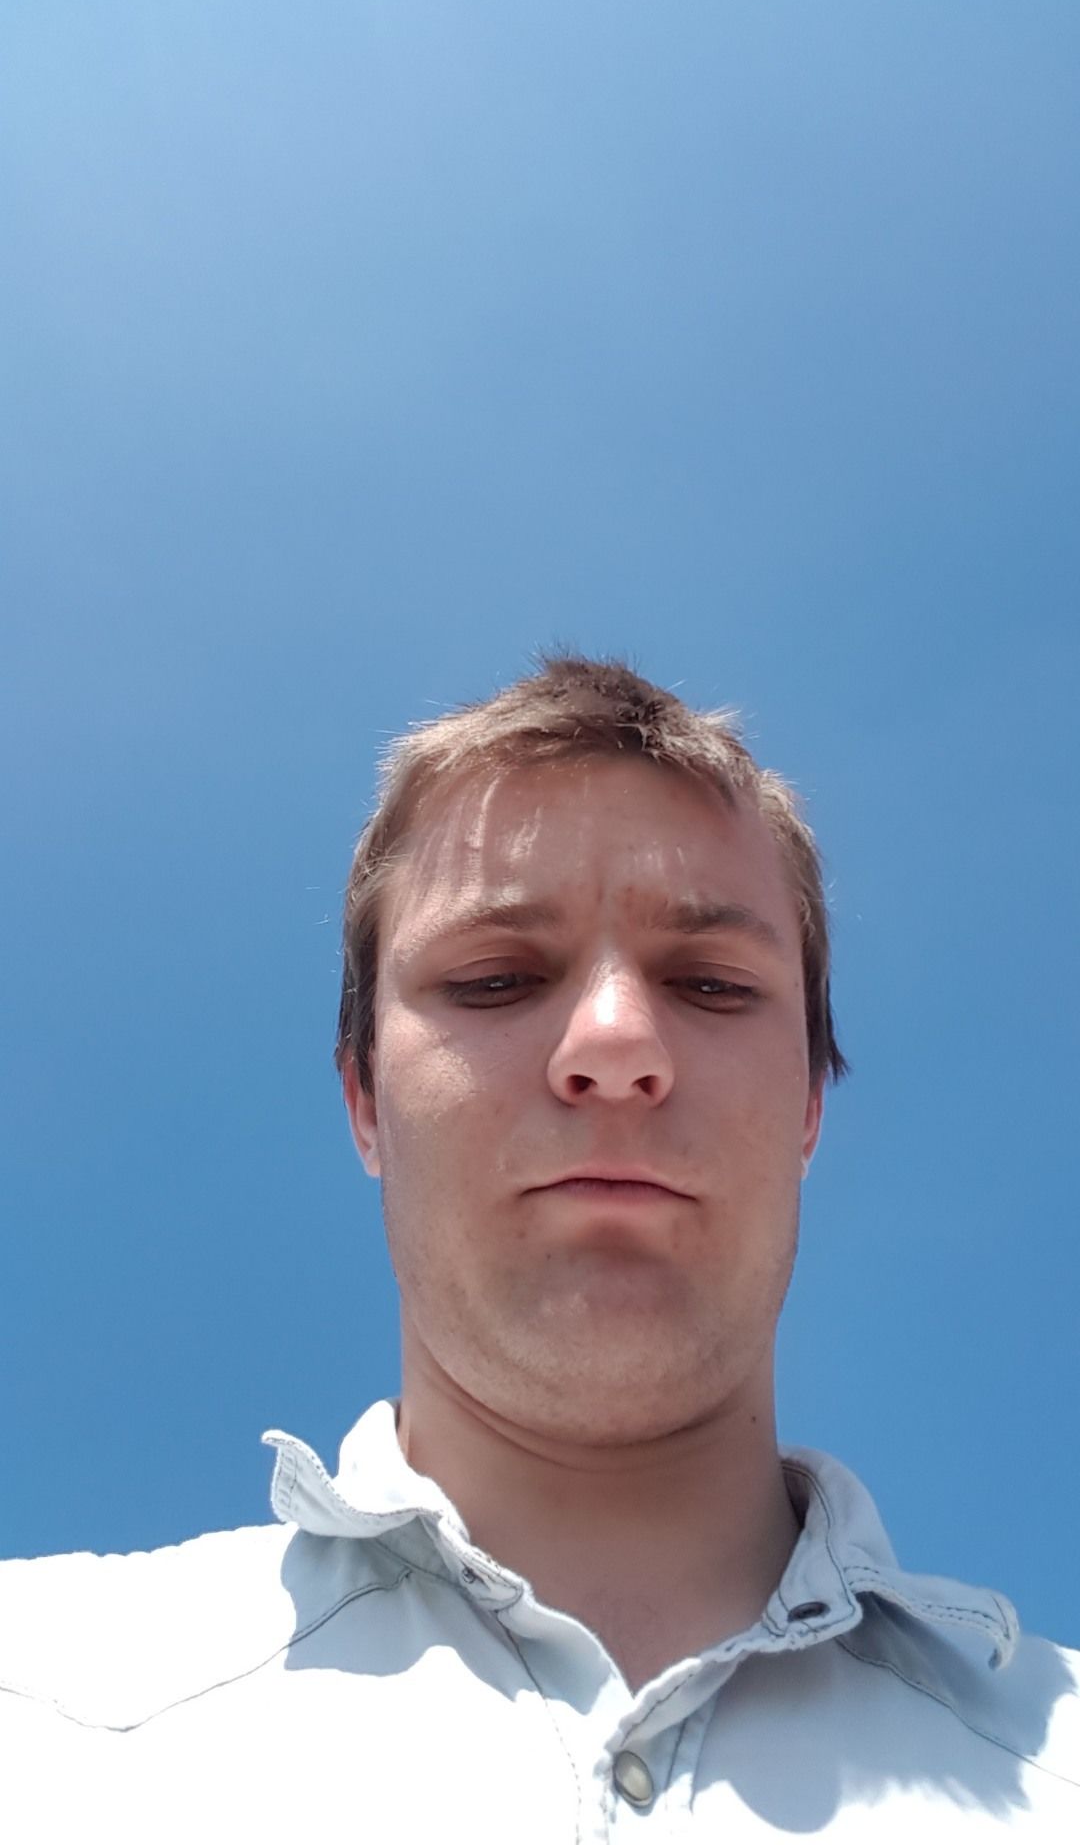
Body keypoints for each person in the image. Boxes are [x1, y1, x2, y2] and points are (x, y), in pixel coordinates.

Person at [3, 654, 1077, 1840]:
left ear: (812, 1106)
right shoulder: (32, 1710)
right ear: (365, 1101)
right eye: (496, 978)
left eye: (711, 985)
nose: (616, 1042)